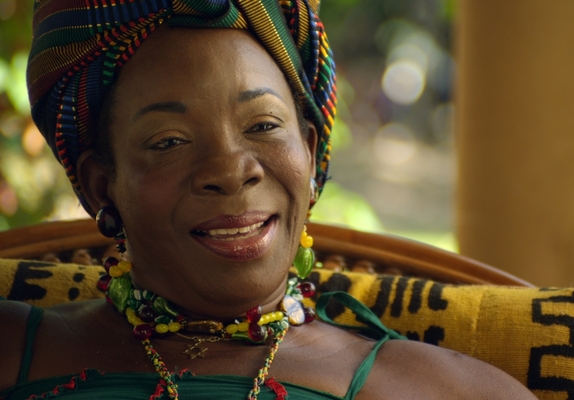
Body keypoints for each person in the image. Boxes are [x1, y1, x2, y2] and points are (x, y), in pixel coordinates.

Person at [0, 1, 537, 399]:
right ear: (101, 186)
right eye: (169, 142)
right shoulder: (15, 349)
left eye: (263, 125)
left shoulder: (450, 391)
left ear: (309, 154)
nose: (231, 171)